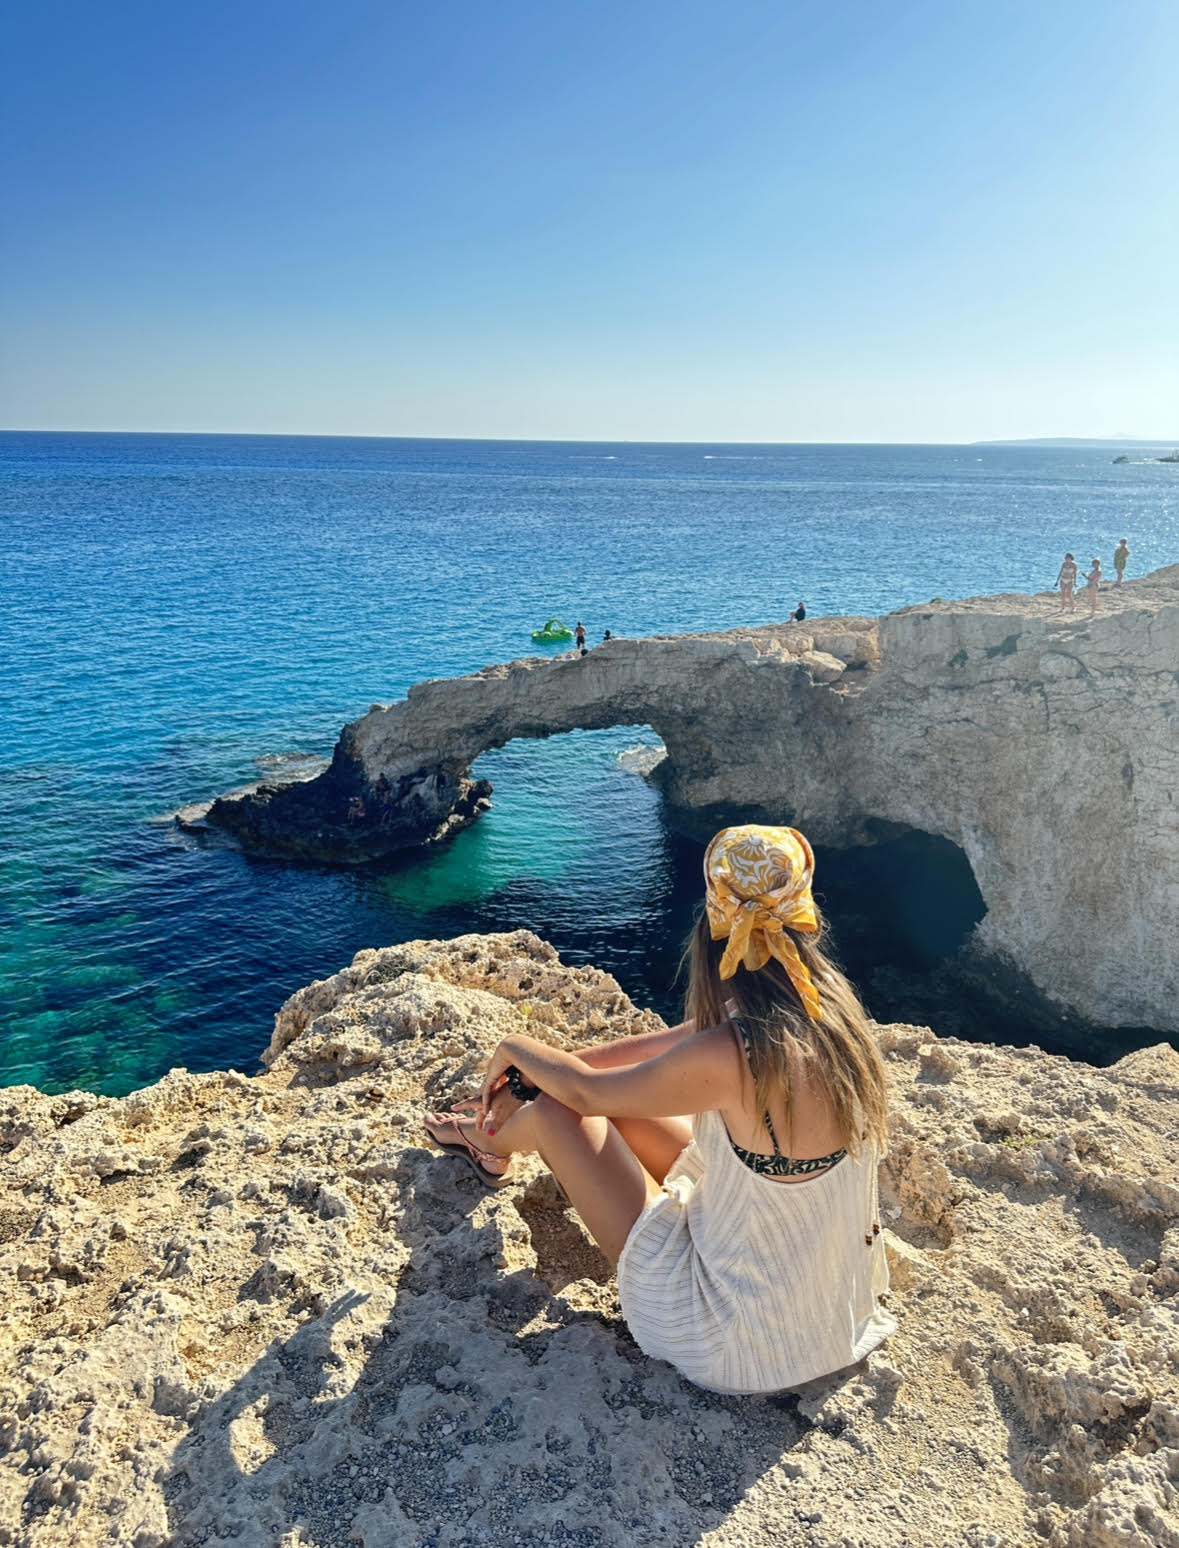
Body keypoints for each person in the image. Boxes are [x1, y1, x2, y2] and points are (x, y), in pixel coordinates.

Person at [423, 825, 896, 1394]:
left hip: (735, 1339)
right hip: (821, 1318)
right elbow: (662, 1051)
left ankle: (486, 1140)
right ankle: (492, 1122)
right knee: (601, 1096)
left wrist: (514, 1053)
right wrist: (544, 1073)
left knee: (554, 1114)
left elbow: (583, 1096)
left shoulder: (733, 1053)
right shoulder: (828, 1009)